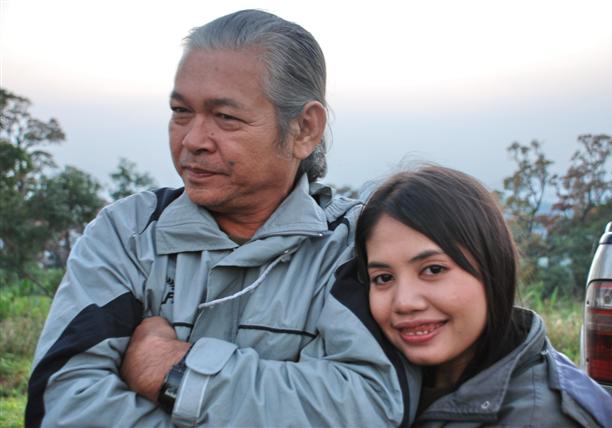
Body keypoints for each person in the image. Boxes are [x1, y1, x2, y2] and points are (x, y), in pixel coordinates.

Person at [25, 10, 419, 427]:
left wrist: (173, 370)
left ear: (304, 129)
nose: (193, 140)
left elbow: (374, 406)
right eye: (181, 111)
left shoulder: (356, 247)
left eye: (226, 117)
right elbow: (63, 404)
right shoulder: (128, 234)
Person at [354, 165, 612, 427]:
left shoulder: (538, 418)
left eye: (433, 270)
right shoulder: (383, 384)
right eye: (384, 278)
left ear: (492, 267)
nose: (404, 302)